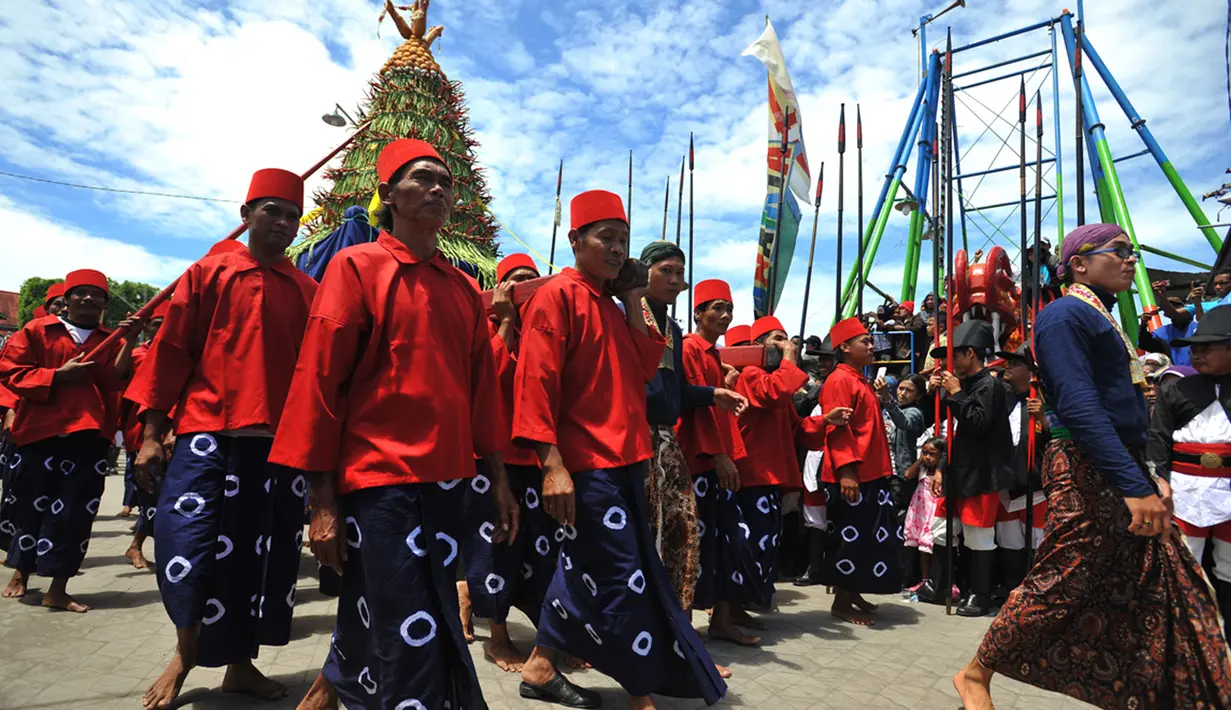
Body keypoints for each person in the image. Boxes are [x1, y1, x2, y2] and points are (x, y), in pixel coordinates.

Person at [269, 140, 518, 710]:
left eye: (446, 182)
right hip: (379, 484)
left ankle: (326, 692)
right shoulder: (356, 268)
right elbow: (320, 384)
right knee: (412, 624)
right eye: (423, 178)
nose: (438, 188)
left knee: (393, 605)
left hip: (449, 482)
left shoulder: (460, 289)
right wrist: (323, 501)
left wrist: (499, 478)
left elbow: (483, 395)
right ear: (387, 195)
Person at [955, 223, 1231, 710]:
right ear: (1078, 264)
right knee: (1065, 575)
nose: (1131, 260)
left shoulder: (1100, 314)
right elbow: (1080, 406)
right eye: (1119, 251)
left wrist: (1148, 475)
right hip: (1086, 465)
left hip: (1119, 463)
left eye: (1133, 252)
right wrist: (1133, 482)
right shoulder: (1064, 315)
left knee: (1142, 582)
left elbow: (1125, 412)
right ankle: (976, 673)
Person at [514, 190, 726, 710]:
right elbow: (535, 383)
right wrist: (552, 464)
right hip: (586, 465)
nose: (615, 249)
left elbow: (642, 369)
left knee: (586, 566)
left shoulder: (611, 306)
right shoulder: (557, 296)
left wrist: (632, 297)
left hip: (629, 459)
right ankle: (639, 690)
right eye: (605, 238)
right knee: (625, 573)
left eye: (623, 241)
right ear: (576, 241)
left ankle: (540, 667)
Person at [128, 168, 320, 709]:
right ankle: (184, 656)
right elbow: (170, 354)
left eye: (291, 215)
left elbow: (318, 372)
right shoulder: (207, 274)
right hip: (208, 433)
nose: (283, 223)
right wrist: (150, 434)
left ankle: (241, 666)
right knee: (188, 545)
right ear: (246, 216)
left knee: (265, 558)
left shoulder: (307, 291)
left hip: (277, 445)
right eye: (271, 211)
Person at [0, 269, 142, 611]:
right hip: (39, 432)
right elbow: (9, 371)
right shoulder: (38, 331)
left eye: (97, 295)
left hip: (89, 435)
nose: (89, 299)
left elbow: (114, 380)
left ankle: (58, 588)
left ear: (106, 303)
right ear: (68, 299)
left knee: (76, 513)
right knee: (30, 506)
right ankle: (20, 572)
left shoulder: (111, 340)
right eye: (82, 293)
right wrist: (56, 375)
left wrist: (132, 337)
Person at [458, 252, 564, 673]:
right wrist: (504, 322)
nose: (524, 287)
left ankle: (548, 636)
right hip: (491, 458)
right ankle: (497, 639)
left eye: (531, 280)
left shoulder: (545, 332)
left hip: (535, 459)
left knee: (539, 549)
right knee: (495, 548)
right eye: (516, 280)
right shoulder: (485, 329)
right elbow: (486, 377)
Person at [639, 244, 747, 615]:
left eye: (679, 273)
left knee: (681, 536)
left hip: (666, 442)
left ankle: (680, 635)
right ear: (644, 271)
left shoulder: (671, 327)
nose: (674, 280)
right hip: (633, 440)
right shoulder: (626, 314)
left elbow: (677, 392)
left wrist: (712, 394)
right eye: (665, 270)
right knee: (643, 538)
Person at [678, 279, 759, 649]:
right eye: (717, 309)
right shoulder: (691, 348)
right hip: (702, 464)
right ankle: (687, 631)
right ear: (698, 314)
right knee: (695, 545)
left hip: (717, 462)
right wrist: (719, 455)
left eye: (729, 308)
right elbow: (699, 407)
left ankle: (722, 621)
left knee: (726, 542)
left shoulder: (712, 353)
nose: (725, 316)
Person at [731, 317, 828, 620]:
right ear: (758, 346)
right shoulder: (750, 375)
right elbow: (774, 393)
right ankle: (735, 606)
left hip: (770, 476)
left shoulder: (776, 383)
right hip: (749, 474)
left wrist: (826, 421)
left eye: (786, 338)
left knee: (766, 542)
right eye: (777, 339)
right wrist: (790, 357)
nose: (786, 344)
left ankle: (748, 602)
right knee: (748, 543)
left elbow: (796, 428)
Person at [918, 320, 1015, 617]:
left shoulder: (993, 387)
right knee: (943, 531)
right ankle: (941, 584)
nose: (950, 363)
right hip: (958, 471)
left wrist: (956, 393)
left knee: (978, 535)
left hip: (981, 473)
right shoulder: (964, 386)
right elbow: (955, 435)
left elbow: (977, 424)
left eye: (954, 355)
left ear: (970, 354)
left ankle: (980, 593)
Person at [1147, 305, 1231, 640]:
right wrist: (1160, 482)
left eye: (1208, 347)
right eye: (1195, 347)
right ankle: (1181, 634)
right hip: (1185, 490)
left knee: (1229, 565)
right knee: (1184, 560)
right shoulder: (1175, 390)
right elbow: (1158, 439)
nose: (1198, 353)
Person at [819, 317, 904, 625]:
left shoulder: (859, 379)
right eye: (864, 341)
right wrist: (847, 471)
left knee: (868, 538)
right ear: (844, 347)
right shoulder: (840, 380)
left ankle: (853, 593)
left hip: (871, 471)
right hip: (854, 473)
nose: (872, 346)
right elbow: (838, 430)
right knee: (849, 537)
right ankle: (841, 602)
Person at [991, 344, 1049, 600]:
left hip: (1036, 484)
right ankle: (1010, 585)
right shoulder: (1001, 397)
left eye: (1015, 364)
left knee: (1037, 539)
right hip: (1006, 482)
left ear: (1031, 370)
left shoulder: (1047, 397)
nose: (1008, 368)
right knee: (1008, 538)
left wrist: (1045, 419)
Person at [117, 303, 168, 568]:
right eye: (155, 324)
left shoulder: (178, 354)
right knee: (150, 495)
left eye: (164, 324)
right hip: (142, 434)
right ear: (146, 327)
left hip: (174, 433)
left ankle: (137, 545)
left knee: (163, 496)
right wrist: (129, 340)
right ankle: (136, 546)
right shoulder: (138, 354)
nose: (160, 329)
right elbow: (117, 375)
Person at [902, 438, 946, 595]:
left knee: (931, 545)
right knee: (921, 546)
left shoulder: (942, 472)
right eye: (925, 453)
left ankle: (936, 579)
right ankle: (925, 579)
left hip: (934, 508)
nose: (928, 457)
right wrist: (921, 458)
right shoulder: (922, 467)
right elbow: (908, 474)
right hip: (919, 509)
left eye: (932, 454)